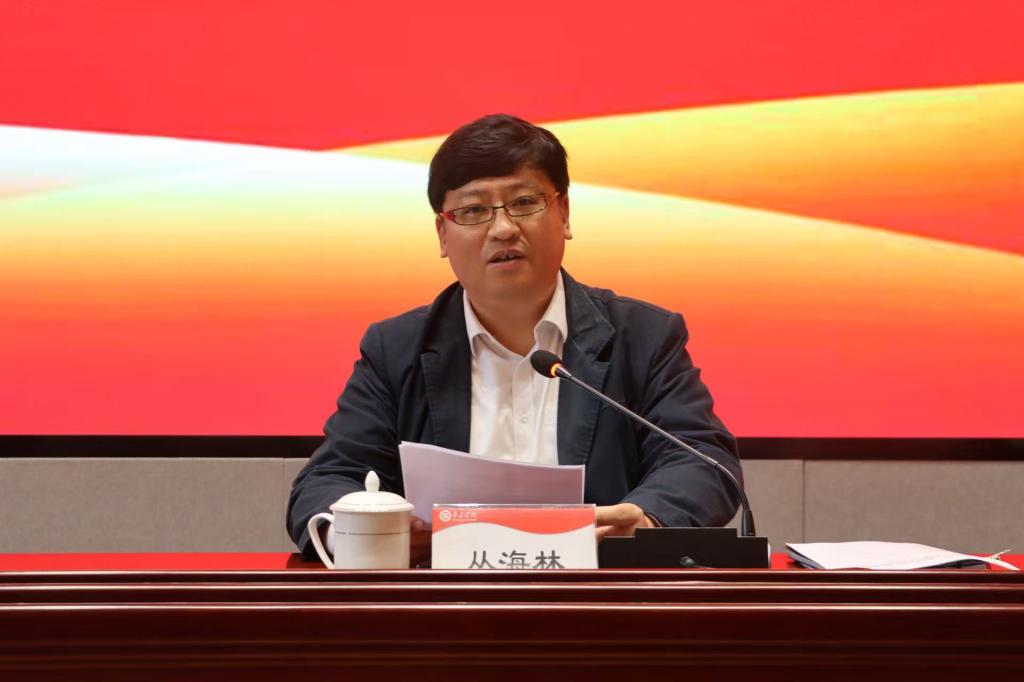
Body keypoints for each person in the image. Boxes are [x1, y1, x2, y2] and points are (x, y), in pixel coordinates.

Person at [286, 114, 742, 563]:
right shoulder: (396, 349)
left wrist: (646, 520)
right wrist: (366, 533)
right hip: (443, 603)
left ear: (564, 213)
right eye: (473, 211)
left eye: (524, 202)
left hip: (599, 599)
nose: (503, 228)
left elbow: (703, 463)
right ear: (443, 234)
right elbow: (328, 480)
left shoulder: (642, 338)